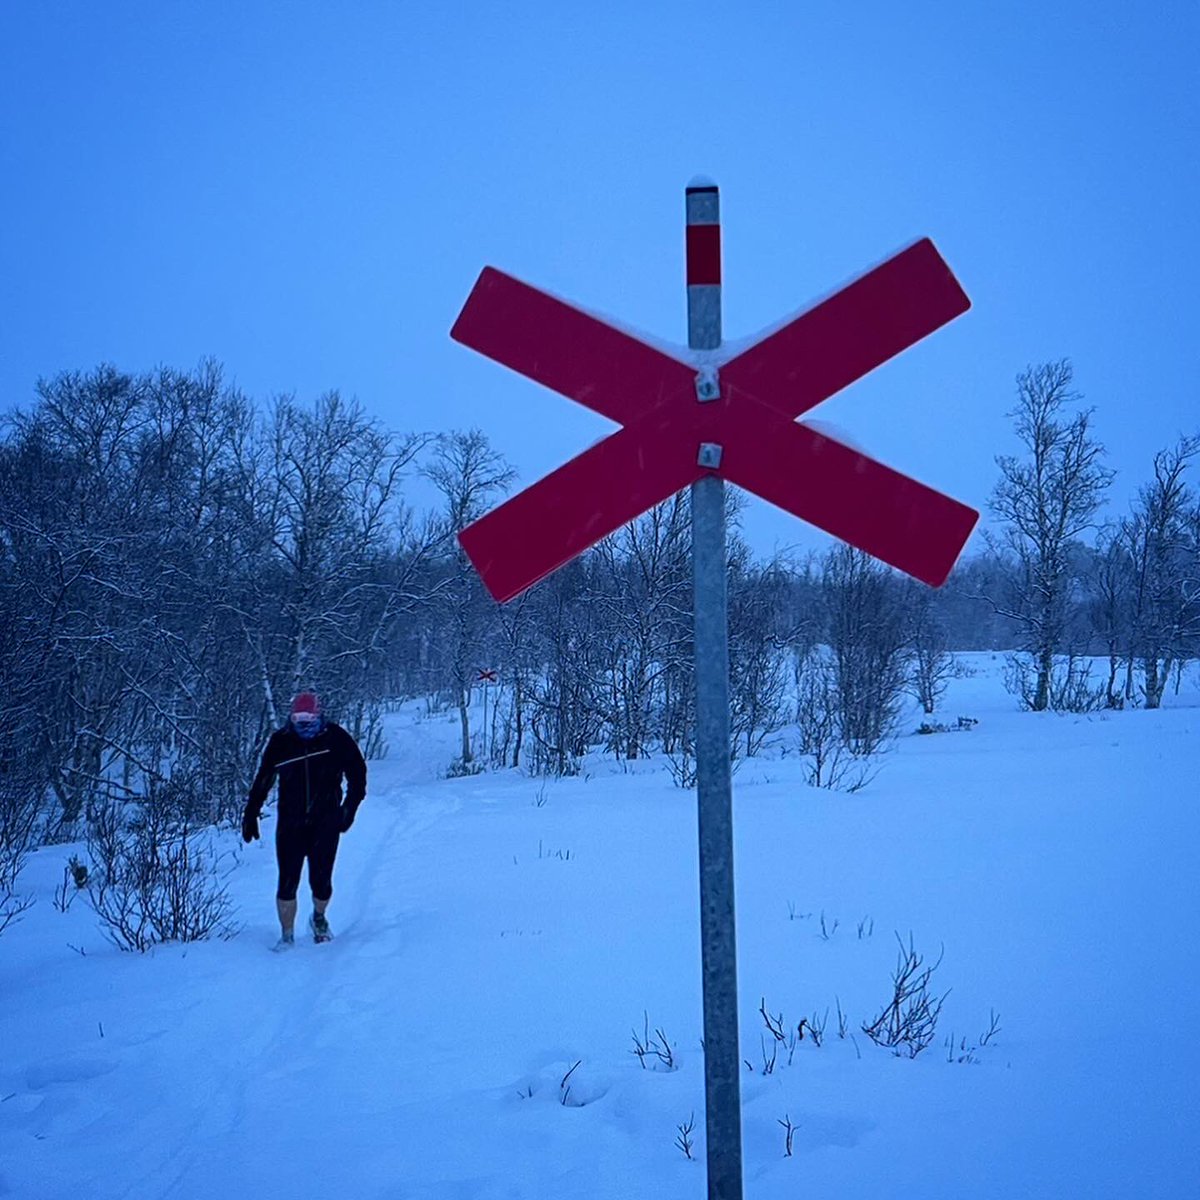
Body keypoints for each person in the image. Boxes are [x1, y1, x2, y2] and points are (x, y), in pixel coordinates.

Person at [241, 691, 367, 948]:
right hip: (291, 823)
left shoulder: (336, 738)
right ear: (292, 718)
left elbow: (358, 775)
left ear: (319, 715)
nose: (304, 724)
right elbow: (264, 778)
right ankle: (287, 935)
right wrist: (251, 812)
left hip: (326, 821)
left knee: (321, 882)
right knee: (287, 881)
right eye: (298, 719)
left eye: (309, 718)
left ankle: (319, 918)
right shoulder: (281, 742)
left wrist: (349, 809)